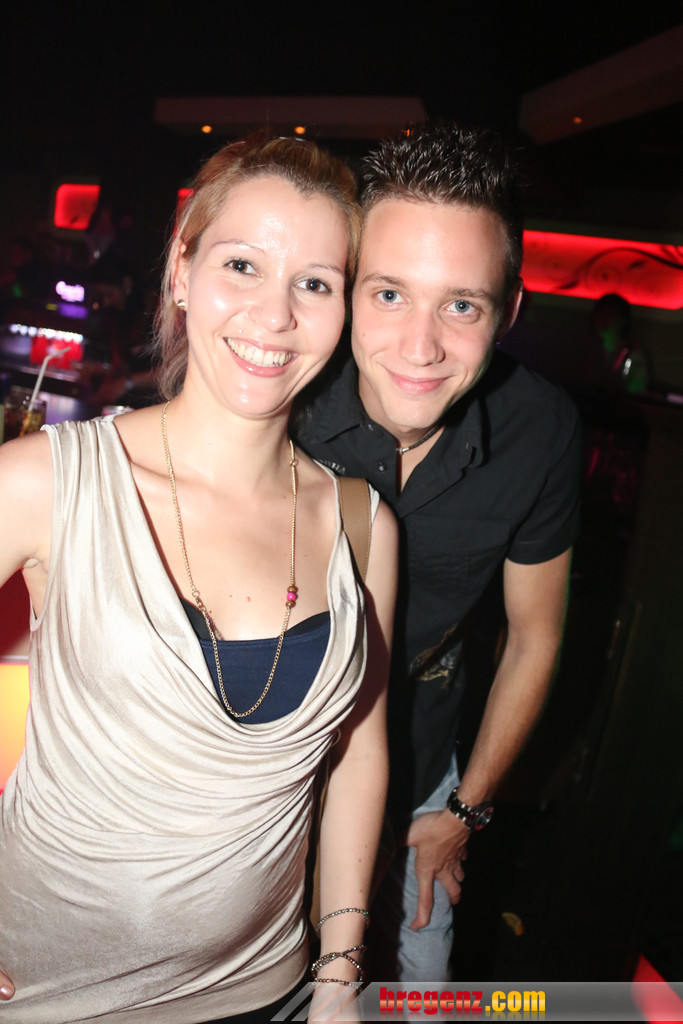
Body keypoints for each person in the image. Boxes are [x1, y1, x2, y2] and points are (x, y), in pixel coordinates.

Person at [0, 134, 397, 1022]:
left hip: (259, 990)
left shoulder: (363, 524)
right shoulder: (45, 481)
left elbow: (358, 754)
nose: (274, 314)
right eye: (242, 265)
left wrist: (339, 973)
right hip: (42, 987)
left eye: (315, 283)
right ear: (181, 272)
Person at [297, 122, 582, 980]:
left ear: (508, 312)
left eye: (461, 305)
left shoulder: (540, 429)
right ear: (349, 286)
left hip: (423, 766)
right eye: (389, 294)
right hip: (268, 772)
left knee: (422, 988)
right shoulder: (281, 397)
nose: (420, 348)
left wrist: (465, 810)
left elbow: (533, 635)